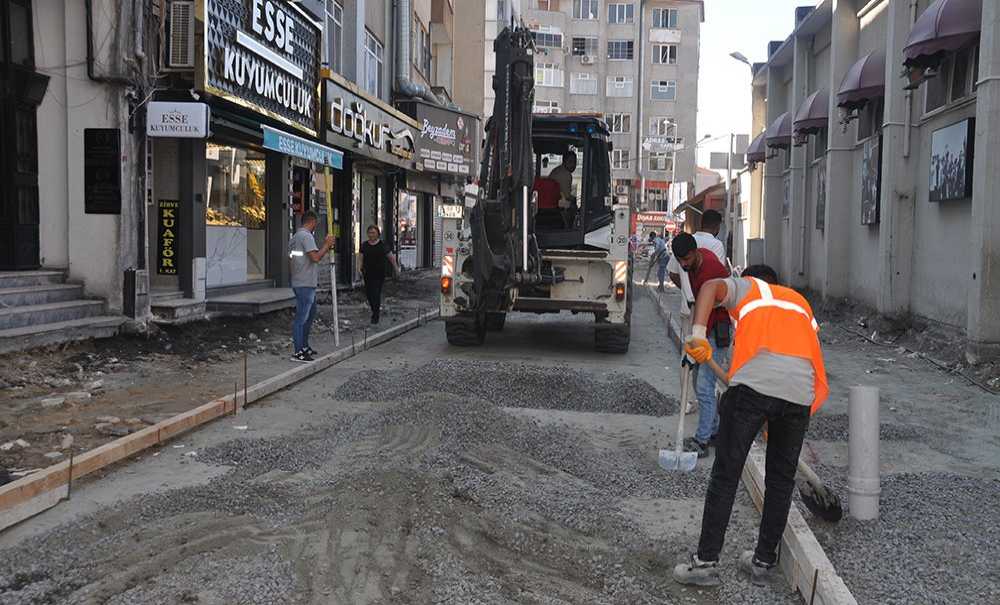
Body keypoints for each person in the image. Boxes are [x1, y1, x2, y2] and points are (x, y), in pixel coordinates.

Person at [672, 264, 828, 587]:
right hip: (798, 394)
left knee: (726, 475)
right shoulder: (799, 303)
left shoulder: (750, 289)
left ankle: (705, 563)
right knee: (781, 481)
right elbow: (802, 362)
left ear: (748, 281)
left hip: (754, 390)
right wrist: (783, 415)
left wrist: (698, 336)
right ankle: (763, 563)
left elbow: (709, 288)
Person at [670, 232, 732, 457]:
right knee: (699, 381)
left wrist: (697, 339)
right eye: (680, 261)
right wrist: (691, 338)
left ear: (696, 252)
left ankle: (702, 440)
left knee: (705, 386)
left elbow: (709, 309)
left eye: (687, 259)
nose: (684, 265)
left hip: (717, 332)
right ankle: (713, 431)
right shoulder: (695, 263)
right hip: (705, 330)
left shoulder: (710, 271)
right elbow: (699, 305)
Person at [288, 211, 335, 363]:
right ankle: (298, 352)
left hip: (301, 280)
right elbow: (315, 257)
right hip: (305, 282)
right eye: (316, 223)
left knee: (309, 315)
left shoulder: (295, 237)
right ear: (312, 221)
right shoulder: (307, 236)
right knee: (302, 318)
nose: (316, 226)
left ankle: (304, 346)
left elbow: (292, 259)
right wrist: (327, 245)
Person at [359, 225, 399, 325]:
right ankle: (374, 310)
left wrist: (396, 268)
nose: (371, 235)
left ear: (378, 234)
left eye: (373, 232)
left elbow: (391, 257)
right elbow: (360, 257)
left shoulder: (383, 245)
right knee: (369, 294)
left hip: (379, 274)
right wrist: (358, 268)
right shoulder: (364, 245)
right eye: (369, 233)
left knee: (376, 293)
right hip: (367, 273)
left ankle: (375, 315)